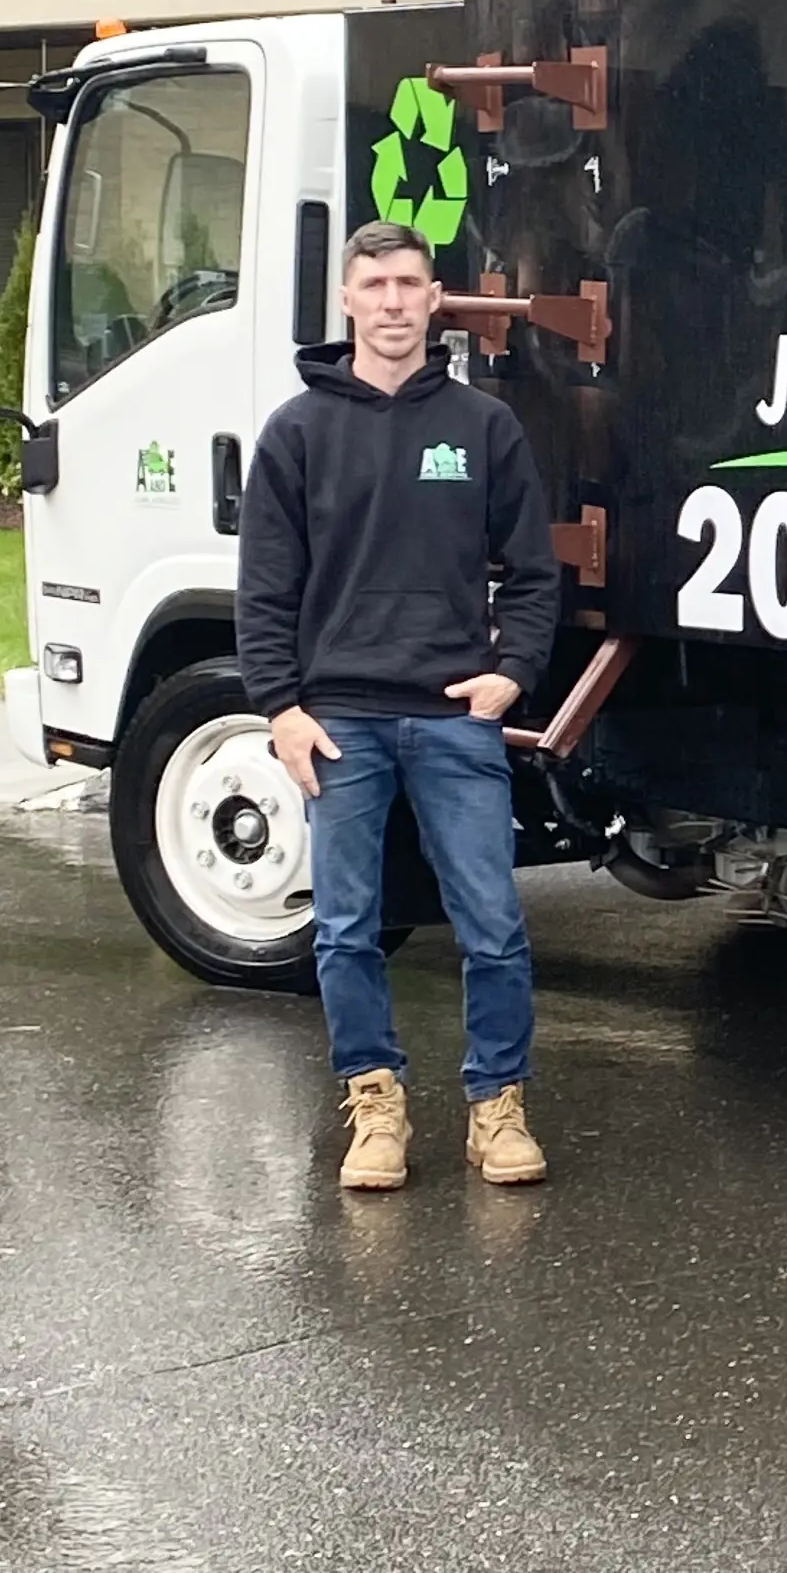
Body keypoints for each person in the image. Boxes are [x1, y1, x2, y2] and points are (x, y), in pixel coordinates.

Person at [237, 219, 563, 1192]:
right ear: (347, 300)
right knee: (344, 927)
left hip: (452, 716)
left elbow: (535, 575)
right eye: (372, 284)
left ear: (433, 299)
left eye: (407, 283)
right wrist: (281, 707)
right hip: (339, 721)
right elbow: (264, 590)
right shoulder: (298, 433)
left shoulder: (482, 427)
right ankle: (375, 1109)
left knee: (493, 923)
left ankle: (496, 1111)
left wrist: (512, 674)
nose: (389, 300)